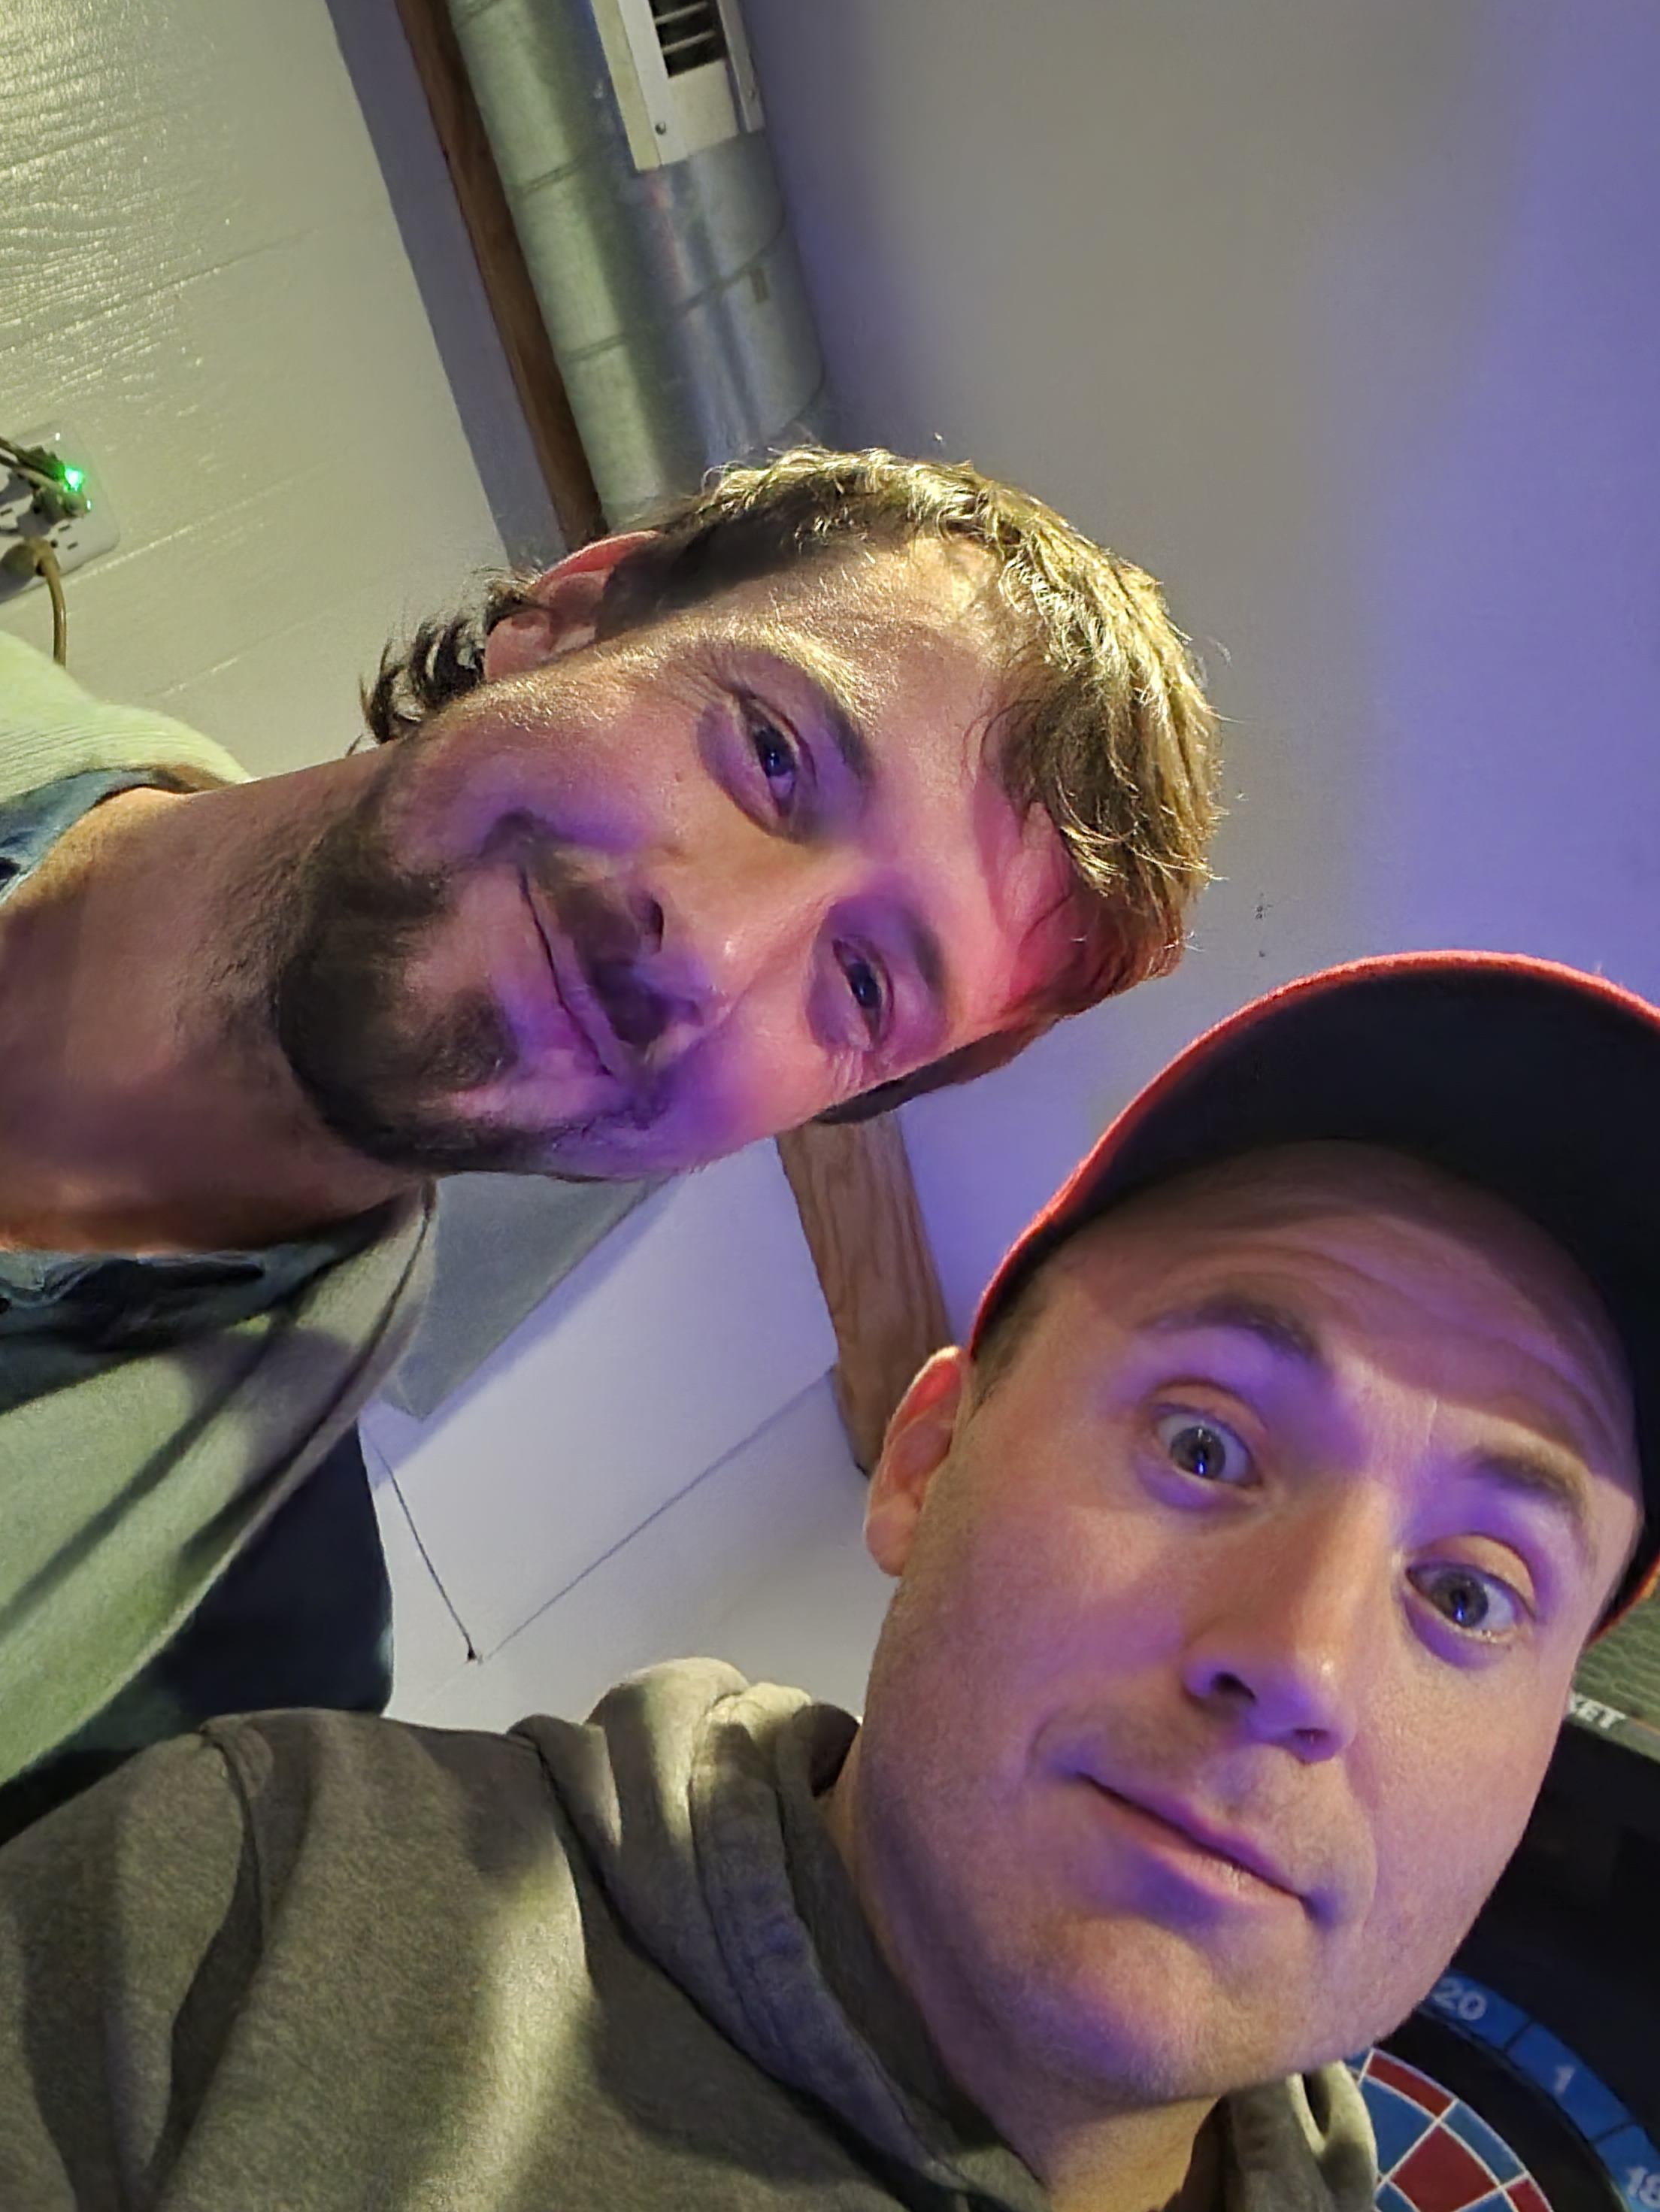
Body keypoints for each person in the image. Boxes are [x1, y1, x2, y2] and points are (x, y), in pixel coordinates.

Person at [0, 947, 1652, 2212]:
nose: (1301, 1662)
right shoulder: (257, 1906)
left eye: (1471, 1593)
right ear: (925, 1461)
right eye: (1206, 1445)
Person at [0, 445, 1219, 1841]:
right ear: (568, 618)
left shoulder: (218, 1707)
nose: (711, 950)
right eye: (772, 755)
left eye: (862, 986)